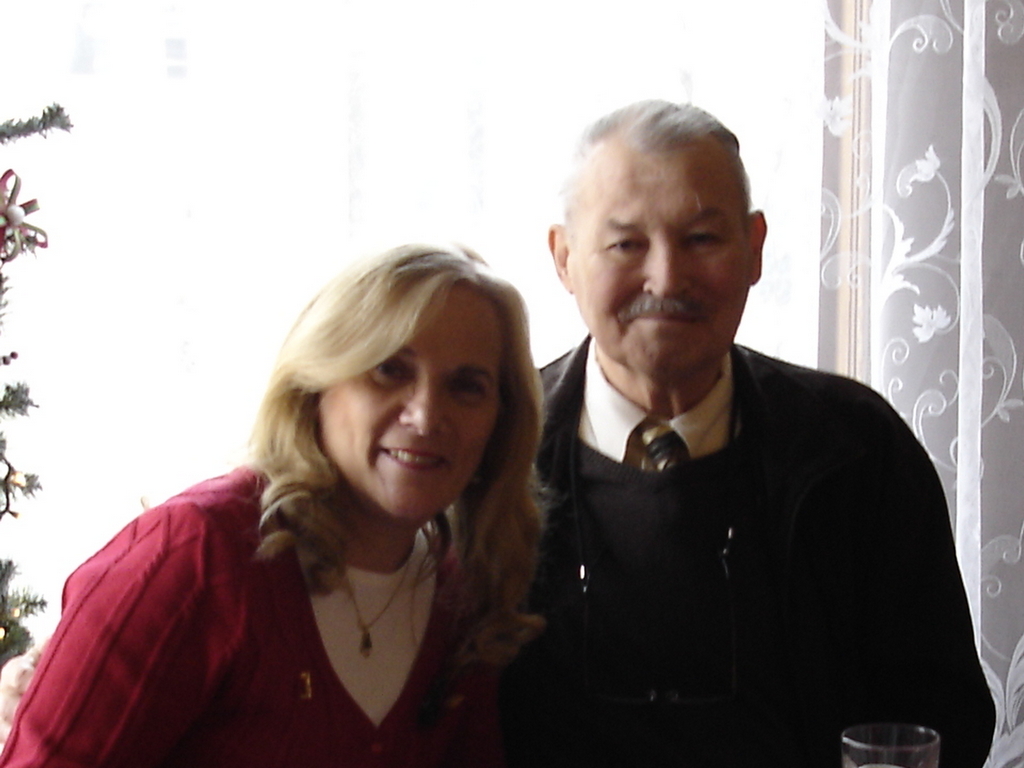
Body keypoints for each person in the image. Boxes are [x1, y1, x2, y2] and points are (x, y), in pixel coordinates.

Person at [498, 100, 996, 768]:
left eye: (702, 239)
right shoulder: (494, 454)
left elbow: (940, 713)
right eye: (626, 244)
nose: (666, 278)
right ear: (563, 258)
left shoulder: (856, 449)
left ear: (756, 248)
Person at [0, 243, 545, 767]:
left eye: (466, 387)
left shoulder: (460, 598)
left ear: (501, 422)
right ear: (316, 383)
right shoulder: (195, 556)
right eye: (389, 370)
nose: (425, 416)